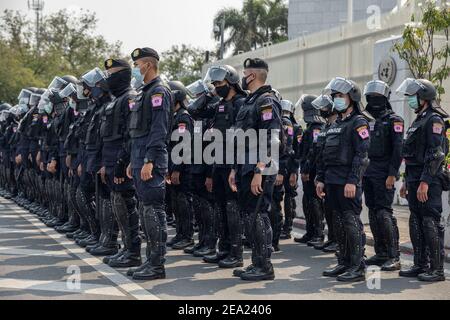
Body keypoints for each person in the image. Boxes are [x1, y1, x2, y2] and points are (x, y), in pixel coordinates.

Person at [229, 58, 282, 281]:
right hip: (244, 166)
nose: (242, 76)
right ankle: (256, 263)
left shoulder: (267, 101)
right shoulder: (250, 101)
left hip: (259, 167)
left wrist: (260, 170)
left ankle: (265, 266)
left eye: (245, 73)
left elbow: (271, 139)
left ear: (252, 75)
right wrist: (234, 169)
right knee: (249, 217)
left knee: (258, 216)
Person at [316, 77, 371, 282]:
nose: (337, 99)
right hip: (331, 180)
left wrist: (353, 180)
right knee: (337, 223)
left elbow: (362, 155)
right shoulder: (336, 124)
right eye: (335, 96)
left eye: (340, 96)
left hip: (347, 181)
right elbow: (325, 154)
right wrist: (321, 179)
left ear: (352, 97)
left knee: (350, 222)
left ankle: (357, 266)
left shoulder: (359, 122)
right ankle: (344, 261)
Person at [125, 47, 172, 281]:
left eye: (138, 64)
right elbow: (138, 132)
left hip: (150, 160)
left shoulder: (159, 92)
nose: (135, 69)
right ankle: (149, 261)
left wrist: (150, 160)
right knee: (145, 212)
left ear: (148, 65)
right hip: (139, 158)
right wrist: (133, 161)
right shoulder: (144, 92)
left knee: (154, 212)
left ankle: (157, 265)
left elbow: (159, 130)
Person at [397, 78, 448, 282]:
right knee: (416, 222)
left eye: (413, 96)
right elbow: (411, 156)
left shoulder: (434, 120)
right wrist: (405, 182)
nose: (410, 100)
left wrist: (425, 182)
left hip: (429, 180)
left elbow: (436, 154)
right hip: (414, 179)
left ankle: (437, 269)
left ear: (424, 97)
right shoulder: (419, 120)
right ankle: (420, 264)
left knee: (430, 223)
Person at [100, 58, 141, 268]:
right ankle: (126, 248)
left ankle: (133, 251)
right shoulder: (116, 100)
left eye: (112, 73)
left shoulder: (130, 99)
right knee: (118, 205)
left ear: (124, 75)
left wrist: (120, 162)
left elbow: (129, 135)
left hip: (121, 161)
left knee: (126, 205)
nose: (109, 78)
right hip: (111, 159)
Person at [363, 80, 403, 271]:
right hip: (368, 172)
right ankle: (380, 252)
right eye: (371, 98)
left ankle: (393, 255)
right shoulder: (367, 120)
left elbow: (398, 149)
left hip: (384, 172)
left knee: (384, 212)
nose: (373, 101)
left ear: (385, 98)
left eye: (377, 97)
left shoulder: (394, 120)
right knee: (372, 212)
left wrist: (392, 174)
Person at [295, 95, 326, 246]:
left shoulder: (316, 128)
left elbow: (314, 150)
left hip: (312, 171)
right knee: (307, 201)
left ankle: (318, 233)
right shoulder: (311, 127)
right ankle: (310, 231)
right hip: (307, 169)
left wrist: (306, 168)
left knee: (314, 202)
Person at [311, 95, 338, 253]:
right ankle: (332, 238)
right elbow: (320, 154)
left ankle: (338, 241)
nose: (322, 111)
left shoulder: (337, 125)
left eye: (325, 108)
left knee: (336, 211)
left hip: (336, 174)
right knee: (328, 209)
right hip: (326, 173)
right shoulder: (326, 126)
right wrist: (320, 176)